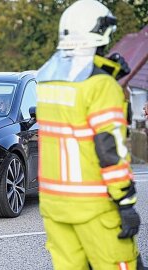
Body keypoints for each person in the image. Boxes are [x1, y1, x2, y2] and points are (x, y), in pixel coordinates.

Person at [36, 1, 143, 269]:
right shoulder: (101, 86)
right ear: (99, 35)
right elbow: (110, 150)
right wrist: (126, 202)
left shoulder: (46, 83)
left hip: (54, 206)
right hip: (94, 206)